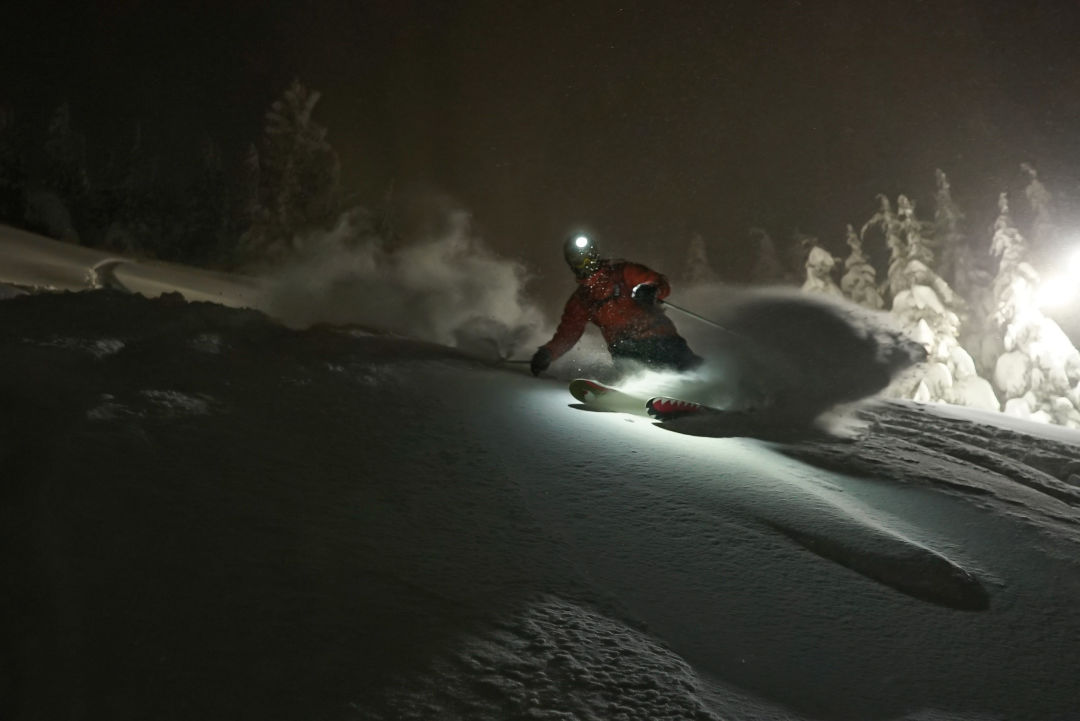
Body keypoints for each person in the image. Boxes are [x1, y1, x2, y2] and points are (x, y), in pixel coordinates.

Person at [531, 233, 703, 376]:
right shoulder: (582, 300)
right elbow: (568, 334)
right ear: (571, 265)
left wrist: (650, 290)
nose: (584, 264)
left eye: (587, 258)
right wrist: (548, 353)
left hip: (659, 338)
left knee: (688, 368)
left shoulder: (621, 273)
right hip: (625, 349)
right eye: (577, 260)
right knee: (638, 369)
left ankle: (710, 387)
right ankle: (653, 392)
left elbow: (659, 283)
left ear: (594, 254)